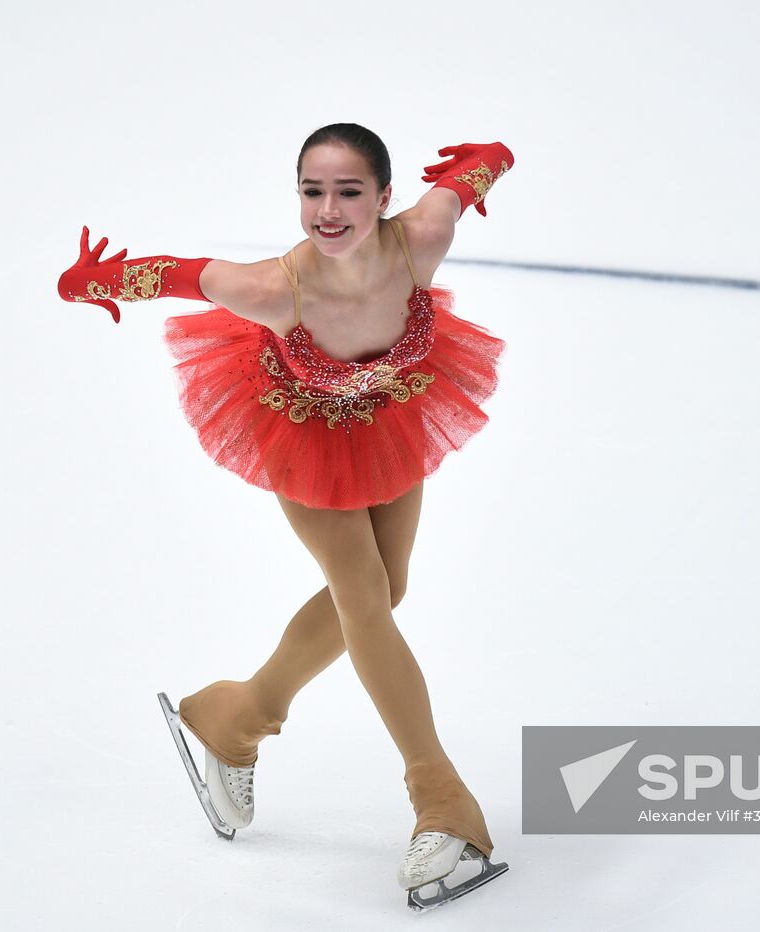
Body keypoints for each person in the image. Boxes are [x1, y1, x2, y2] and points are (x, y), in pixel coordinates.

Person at [56, 123, 514, 911]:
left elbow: (481, 169)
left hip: (389, 411)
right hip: (299, 425)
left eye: (348, 192)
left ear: (384, 197)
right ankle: (442, 801)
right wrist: (92, 282)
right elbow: (179, 273)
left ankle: (237, 714)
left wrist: (486, 159)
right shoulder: (272, 288)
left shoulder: (423, 239)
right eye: (312, 191)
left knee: (388, 587)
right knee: (363, 596)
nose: (328, 211)